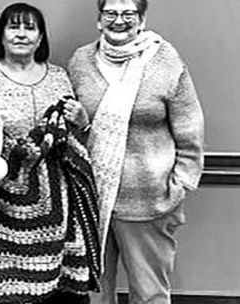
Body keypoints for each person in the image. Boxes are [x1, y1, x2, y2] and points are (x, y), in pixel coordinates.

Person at [67, 0, 204, 303]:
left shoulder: (165, 61)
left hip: (148, 202)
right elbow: (77, 128)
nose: (119, 20)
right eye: (111, 13)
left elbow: (191, 130)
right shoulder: (81, 61)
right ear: (99, 20)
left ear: (142, 19)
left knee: (150, 293)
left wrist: (179, 185)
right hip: (93, 201)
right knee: (94, 292)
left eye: (128, 13)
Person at [0, 3, 101, 304]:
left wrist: (81, 121)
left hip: (56, 196)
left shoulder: (59, 77)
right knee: (1, 278)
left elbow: (71, 136)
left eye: (30, 28)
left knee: (54, 278)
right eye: (14, 27)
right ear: (1, 34)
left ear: (40, 38)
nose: (21, 34)